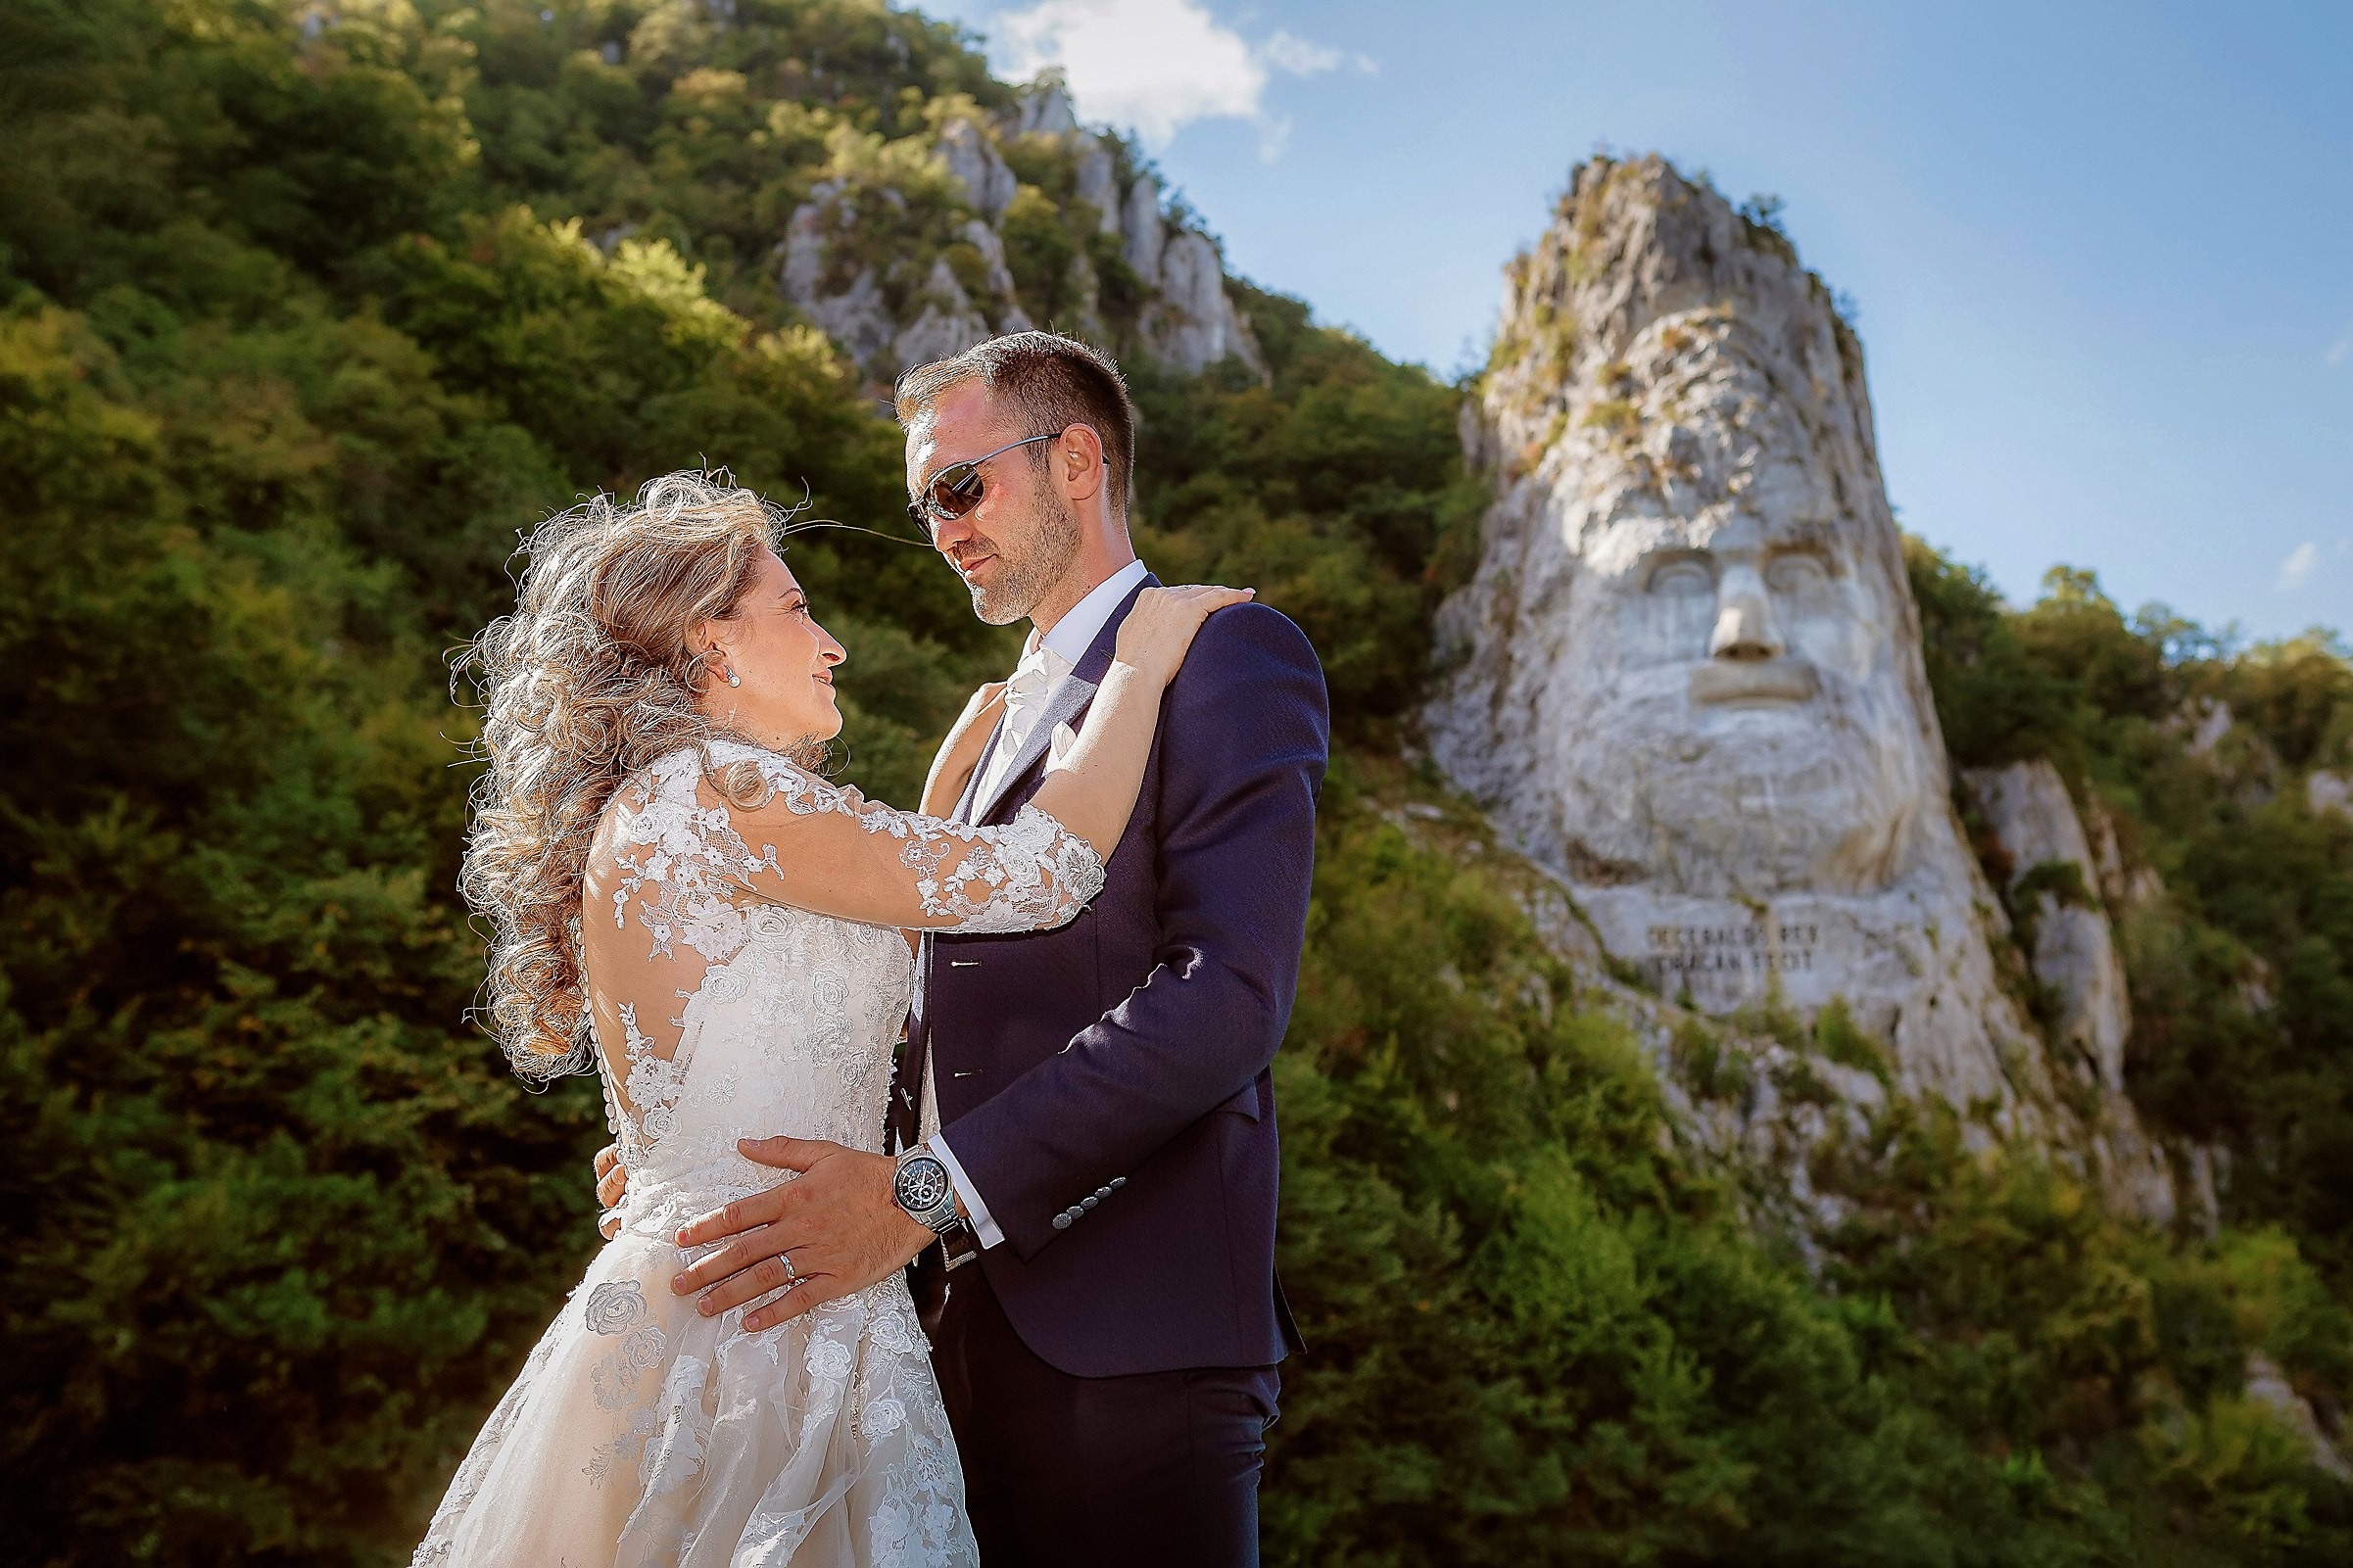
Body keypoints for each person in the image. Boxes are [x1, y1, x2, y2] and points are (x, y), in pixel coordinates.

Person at [411, 469, 1250, 1567]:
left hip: (706, 1300)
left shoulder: (664, 803)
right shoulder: (725, 791)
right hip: (770, 1333)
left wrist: (941, 795)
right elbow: (1043, 877)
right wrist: (1139, 664)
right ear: (711, 642)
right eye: (797, 608)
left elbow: (843, 989)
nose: (832, 643)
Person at [615, 332, 1330, 1566]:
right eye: (919, 504)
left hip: (1129, 1336)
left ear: (1074, 461)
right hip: (923, 1330)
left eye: (959, 486)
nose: (938, 529)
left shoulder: (1222, 654)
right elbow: (923, 1015)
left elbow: (1224, 1002)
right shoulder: (991, 722)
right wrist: (699, 1143)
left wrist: (924, 1192)